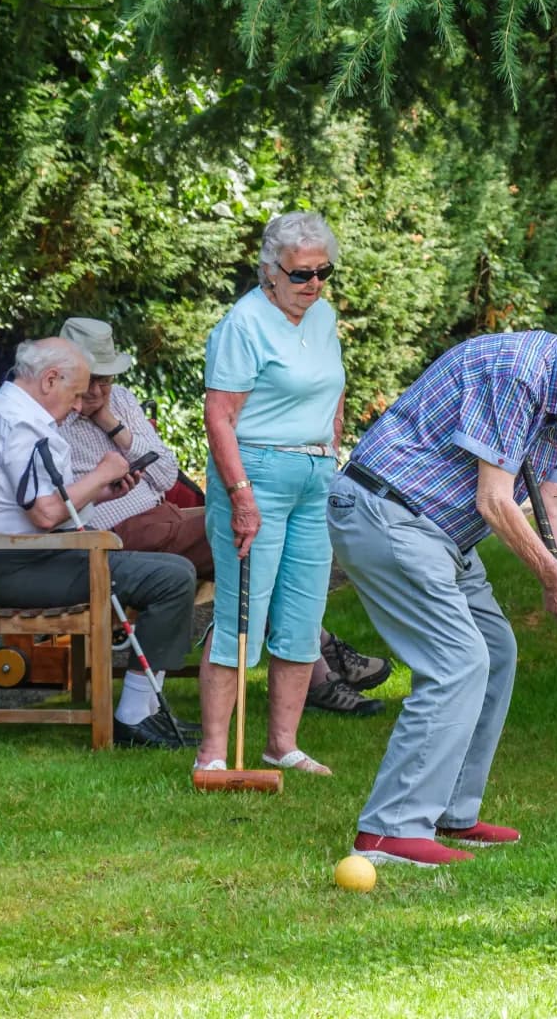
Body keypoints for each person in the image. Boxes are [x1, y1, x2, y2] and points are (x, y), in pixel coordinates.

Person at [329, 307, 557, 868]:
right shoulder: (518, 372)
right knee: (457, 660)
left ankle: (450, 814)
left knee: (494, 652)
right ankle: (389, 831)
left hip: (439, 533)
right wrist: (553, 579)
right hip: (387, 512)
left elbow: (554, 503)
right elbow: (494, 501)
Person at [54, 316, 392, 716]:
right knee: (256, 537)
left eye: (105, 379)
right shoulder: (55, 415)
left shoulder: (120, 402)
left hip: (163, 517)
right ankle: (319, 662)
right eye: (90, 379)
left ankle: (317, 663)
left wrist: (109, 422)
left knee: (257, 547)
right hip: (113, 533)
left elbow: (163, 474)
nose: (96, 390)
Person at [0, 337, 201, 749]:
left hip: (25, 556)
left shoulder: (7, 411)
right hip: (17, 566)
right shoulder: (19, 422)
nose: (79, 405)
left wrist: (102, 493)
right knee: (170, 578)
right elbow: (45, 513)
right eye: (76, 393)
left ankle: (145, 714)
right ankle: (135, 719)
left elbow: (46, 502)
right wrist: (102, 473)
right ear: (50, 379)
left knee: (171, 572)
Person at [194, 212, 349, 778]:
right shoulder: (244, 324)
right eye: (302, 274)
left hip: (314, 473)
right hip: (255, 470)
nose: (314, 284)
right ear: (270, 271)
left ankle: (282, 745)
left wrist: (331, 428)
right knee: (242, 613)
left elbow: (332, 380)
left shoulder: (323, 314)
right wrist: (239, 493)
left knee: (303, 614)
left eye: (323, 273)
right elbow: (219, 415)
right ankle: (213, 754)